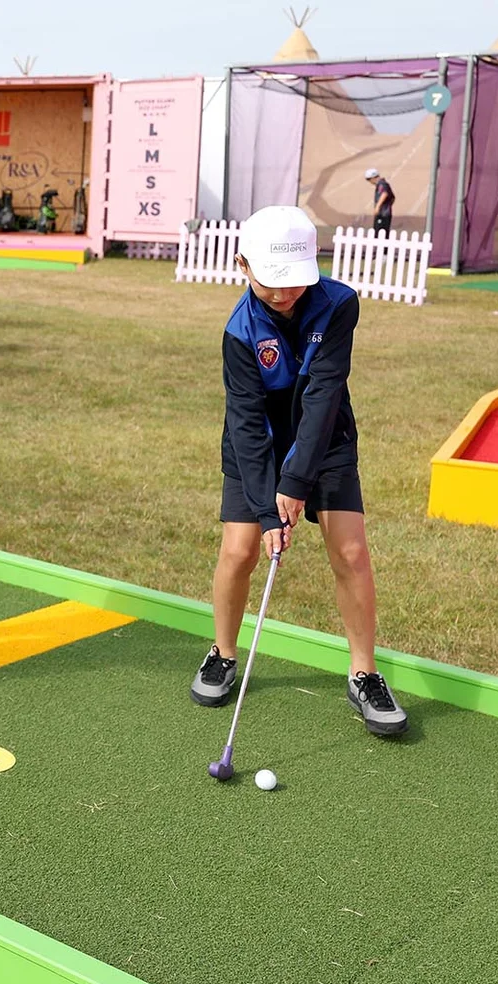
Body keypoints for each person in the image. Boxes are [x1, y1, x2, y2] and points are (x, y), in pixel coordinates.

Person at [190, 205, 406, 737]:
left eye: (294, 282)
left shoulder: (338, 306)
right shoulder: (239, 333)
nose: (285, 295)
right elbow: (245, 424)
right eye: (271, 283)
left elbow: (324, 394)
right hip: (255, 446)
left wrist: (297, 483)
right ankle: (221, 653)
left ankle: (364, 673)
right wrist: (269, 510)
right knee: (238, 550)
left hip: (324, 437)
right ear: (243, 264)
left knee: (351, 551)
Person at [363, 168, 395, 234]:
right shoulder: (381, 185)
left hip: (383, 214)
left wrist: (378, 207)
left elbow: (384, 194)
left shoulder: (382, 184)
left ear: (373, 178)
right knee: (380, 232)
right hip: (384, 213)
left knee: (380, 233)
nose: (370, 182)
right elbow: (393, 198)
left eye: (369, 179)